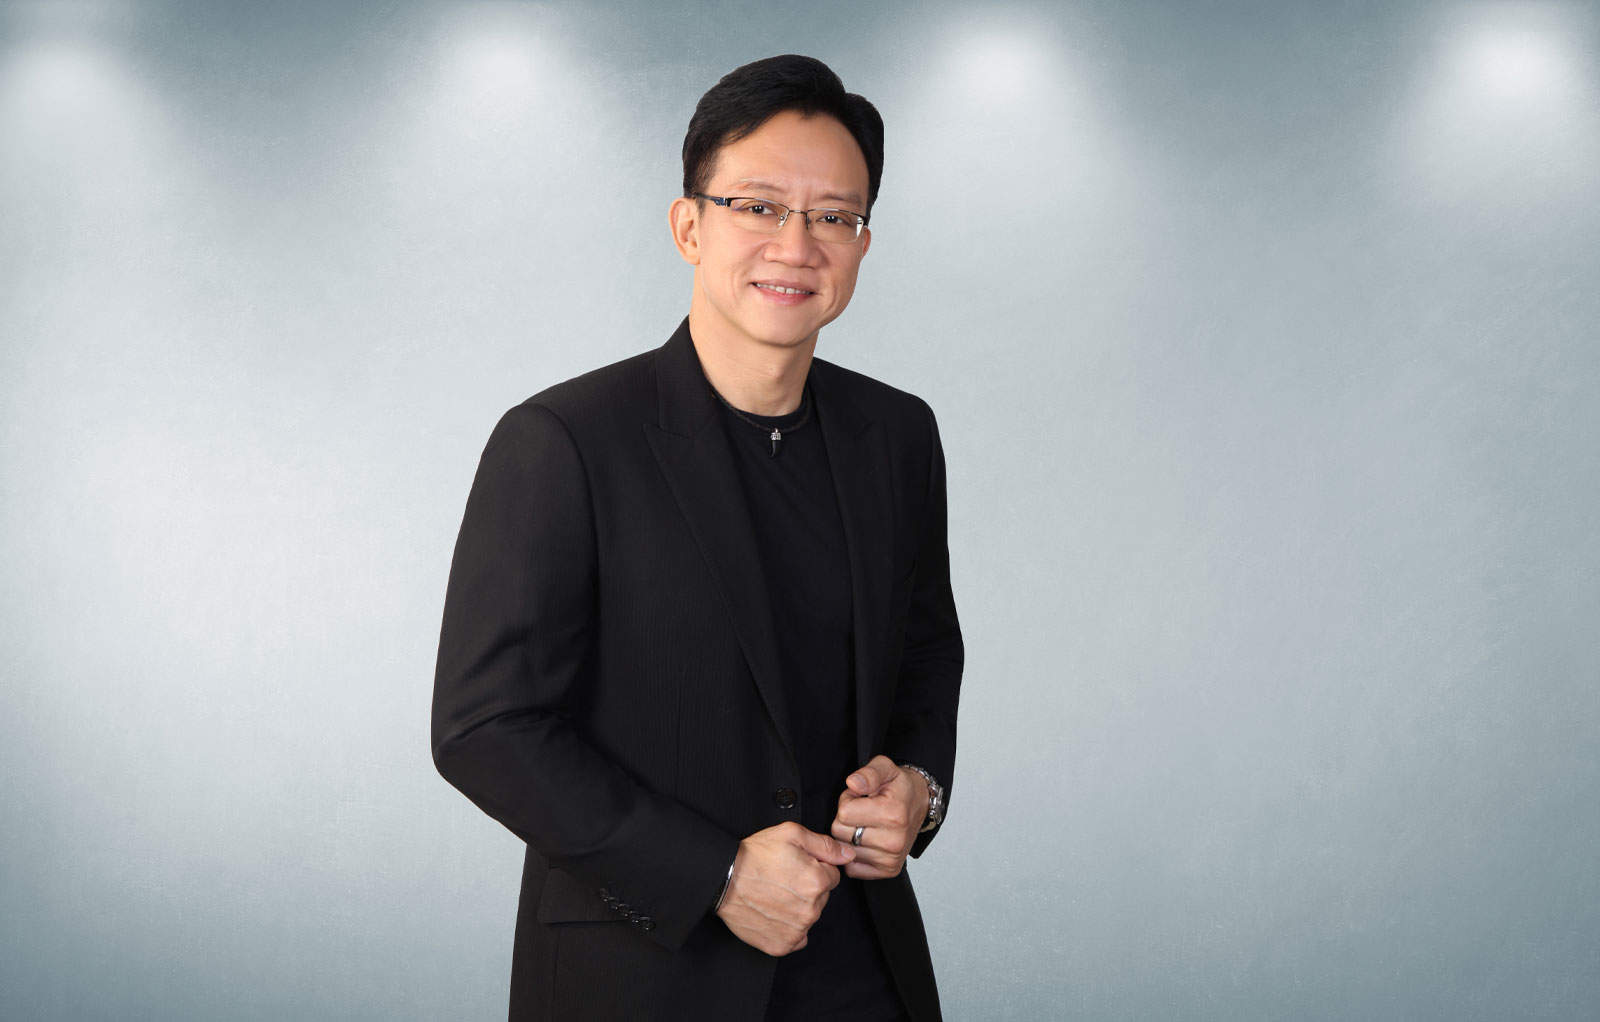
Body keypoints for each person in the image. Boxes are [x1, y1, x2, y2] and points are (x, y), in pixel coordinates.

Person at [431, 53, 963, 1021]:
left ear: (862, 244)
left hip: (858, 962)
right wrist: (716, 873)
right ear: (689, 225)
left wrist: (919, 788)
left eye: (833, 217)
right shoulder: (565, 439)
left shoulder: (897, 434)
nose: (796, 245)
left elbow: (926, 650)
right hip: (642, 967)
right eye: (758, 206)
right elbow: (486, 726)